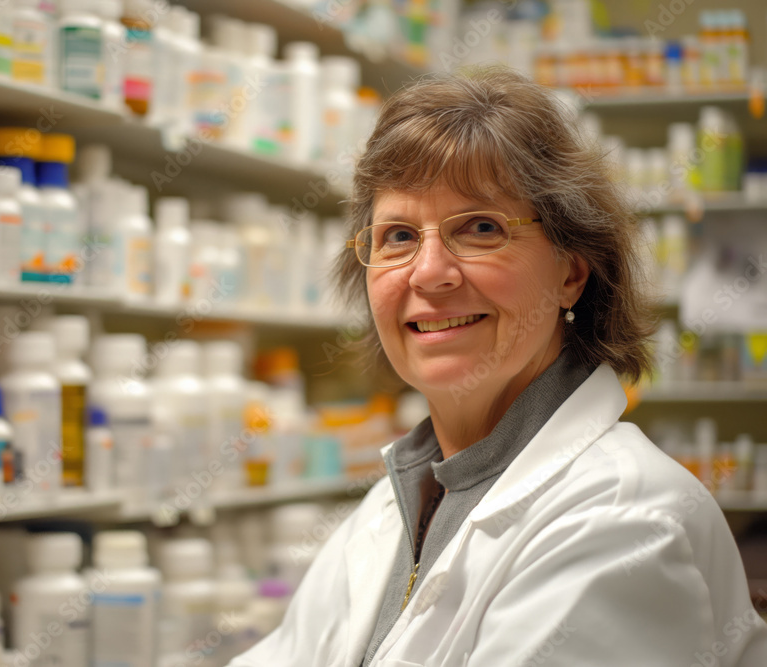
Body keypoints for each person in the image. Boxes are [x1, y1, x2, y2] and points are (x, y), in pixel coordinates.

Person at [229, 67, 767, 666]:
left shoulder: (623, 521)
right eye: (399, 236)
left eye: (480, 228)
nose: (429, 272)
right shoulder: (399, 504)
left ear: (570, 273)